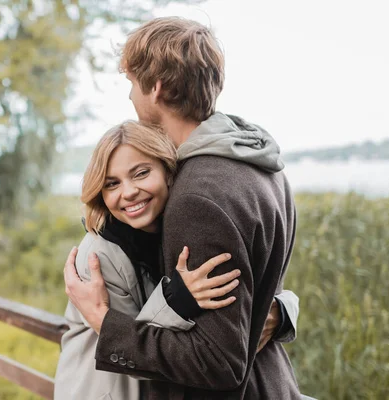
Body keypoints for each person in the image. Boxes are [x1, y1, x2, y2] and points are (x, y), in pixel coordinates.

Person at [63, 17, 302, 399]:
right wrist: (278, 308)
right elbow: (255, 288)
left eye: (131, 83)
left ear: (155, 88)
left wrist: (103, 322)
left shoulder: (196, 196)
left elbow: (218, 360)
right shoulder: (265, 168)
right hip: (274, 384)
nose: (129, 97)